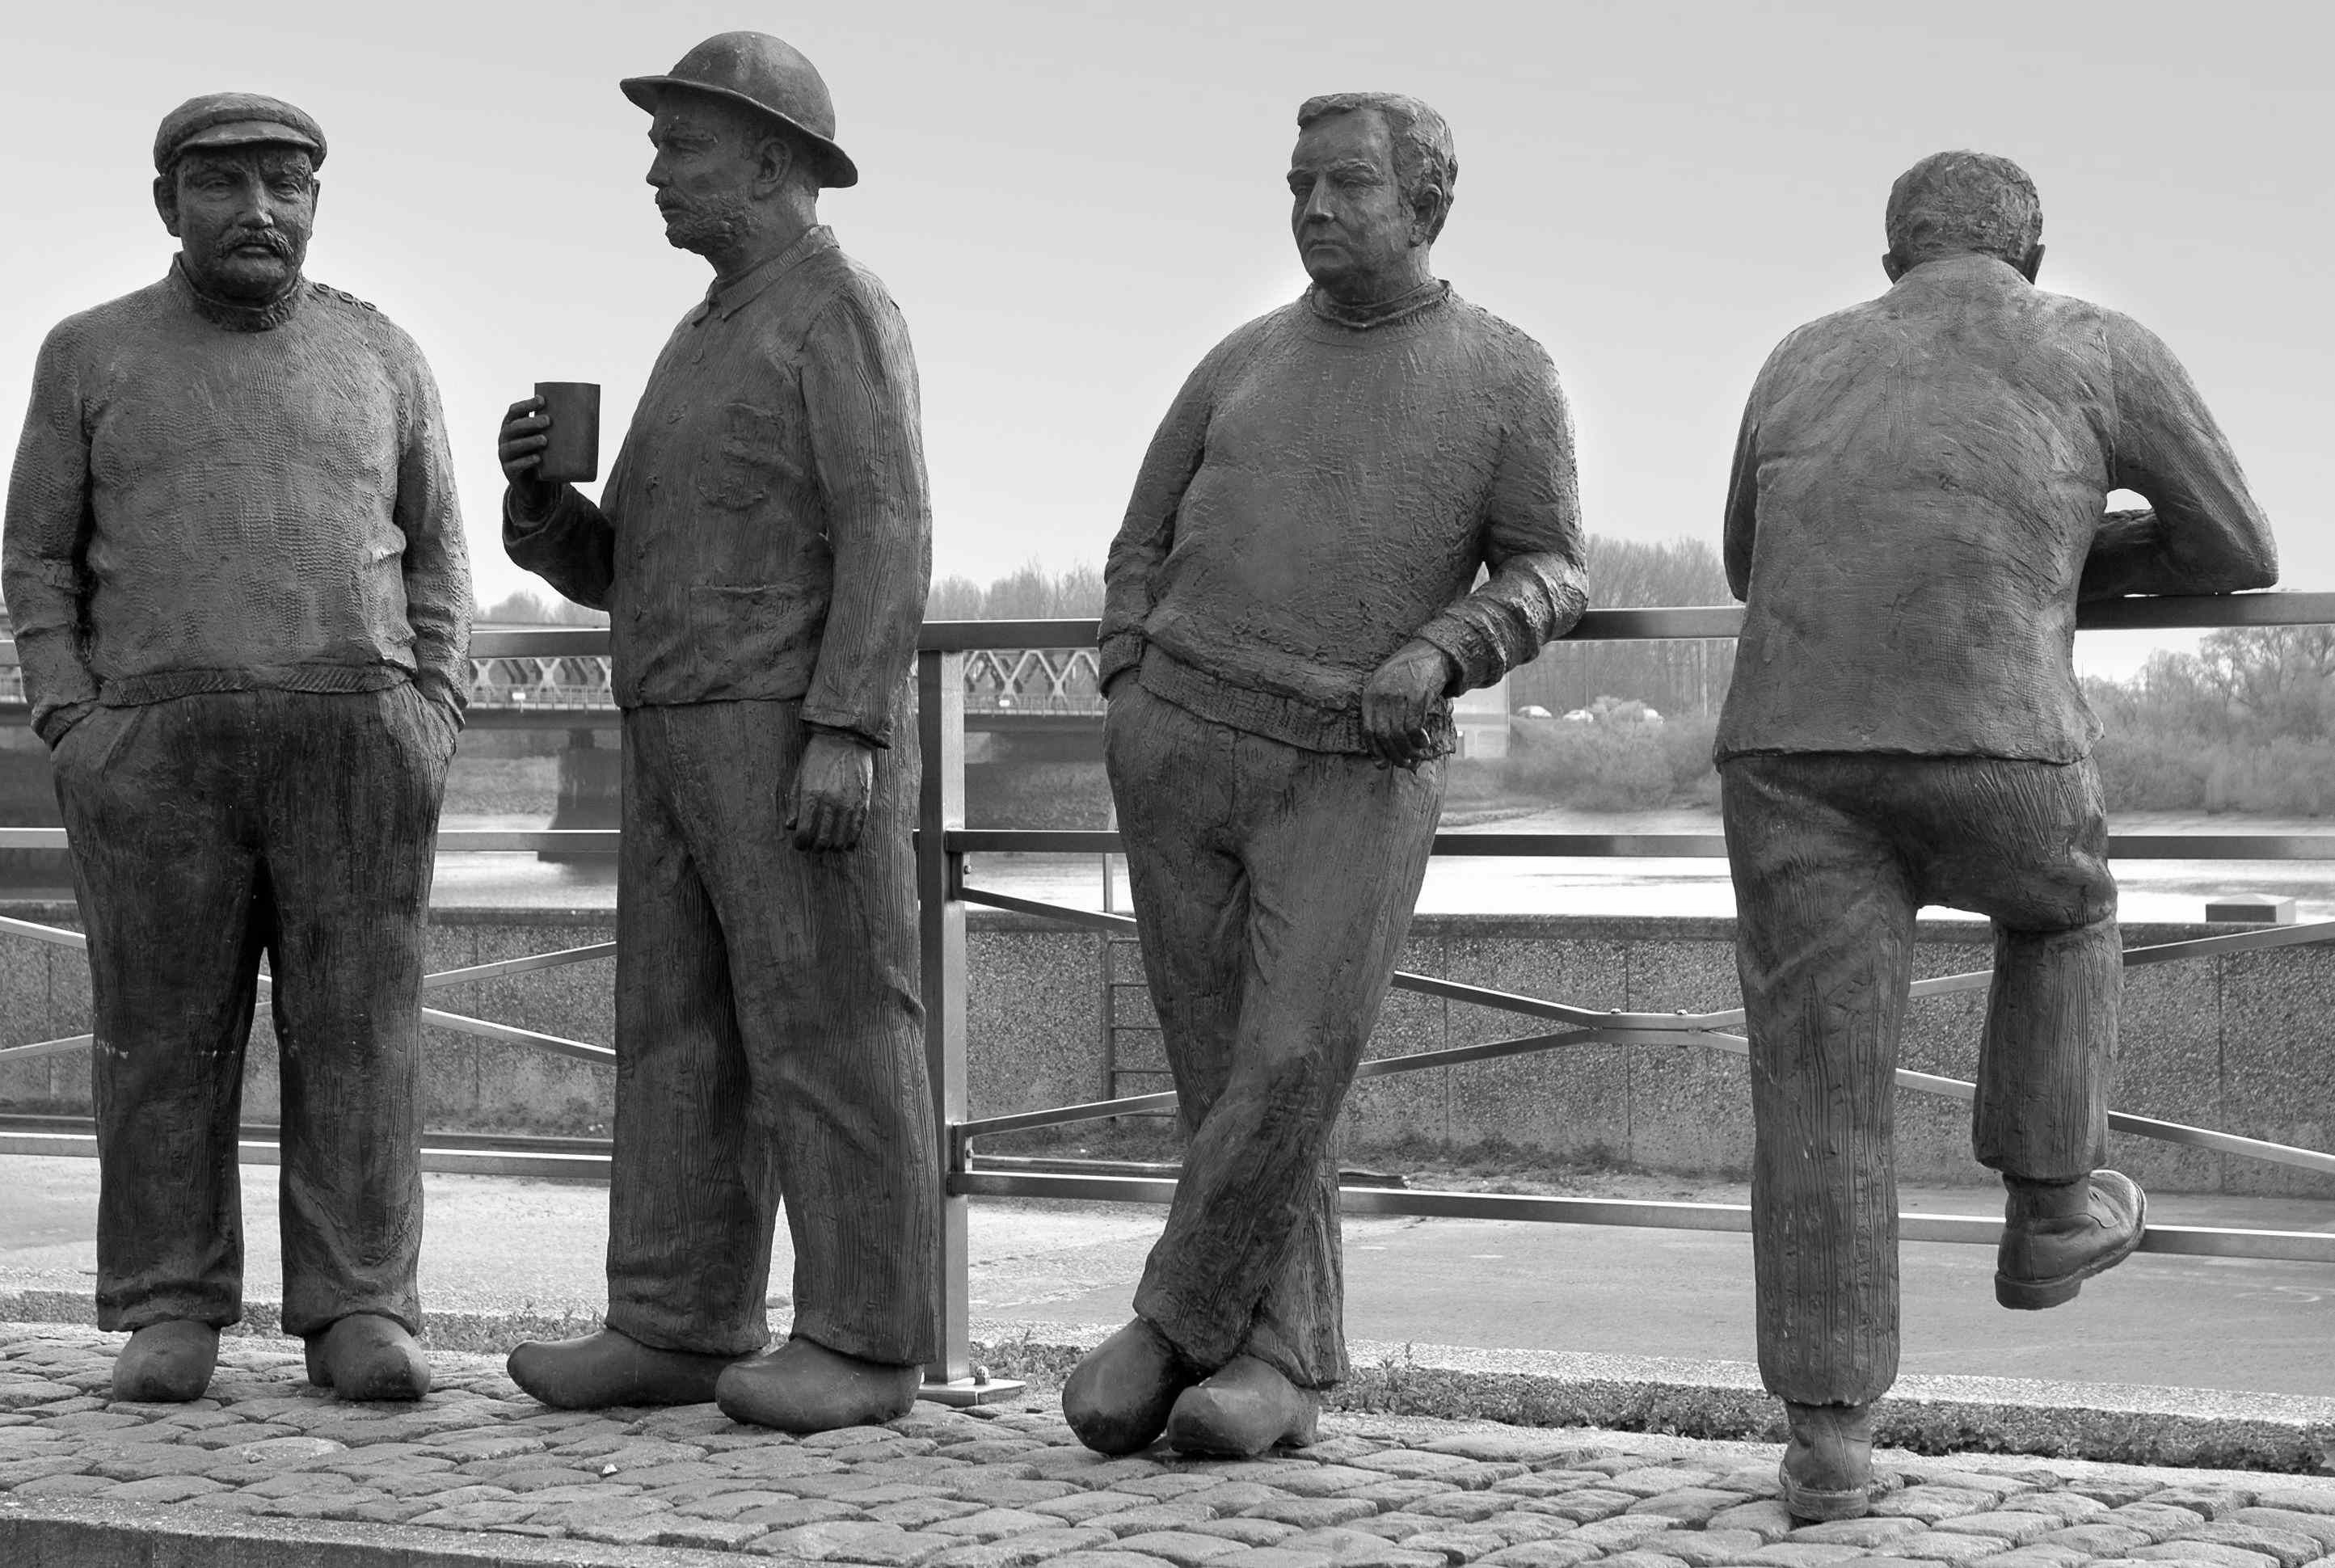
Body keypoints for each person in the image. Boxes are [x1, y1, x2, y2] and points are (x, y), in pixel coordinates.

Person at [1717, 150, 2278, 1519]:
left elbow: (1747, 562)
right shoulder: (2094, 341)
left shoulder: (1801, 354)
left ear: (1889, 258)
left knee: (1816, 1087)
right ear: (2030, 251)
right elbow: (2234, 546)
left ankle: (1827, 1448)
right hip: (1991, 733)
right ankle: (2045, 1209)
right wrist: (2081, 549)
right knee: (2066, 909)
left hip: (1787, 747)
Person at [1066, 91, 1589, 1457]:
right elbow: (1138, 538)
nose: (1312, 208)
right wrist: (1128, 678)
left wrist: (1446, 647)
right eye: (1298, 184)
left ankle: (1171, 1323)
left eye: (1347, 185)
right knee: (1215, 1069)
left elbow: (1550, 567)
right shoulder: (1239, 358)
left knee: (1292, 1057)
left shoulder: (1501, 372)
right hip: (1177, 741)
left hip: (1352, 760)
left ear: (1426, 205)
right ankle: (1274, 1357)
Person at [495, 32, 938, 1433]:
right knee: (675, 1034)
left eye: (678, 146)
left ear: (770, 160)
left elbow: (890, 525)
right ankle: (676, 1322)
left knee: (832, 1031)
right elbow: (622, 564)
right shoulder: (700, 330)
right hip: (674, 720)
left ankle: (865, 1340)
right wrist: (540, 511)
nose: (655, 171)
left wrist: (848, 725)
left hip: (785, 726)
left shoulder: (837, 307)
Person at [3, 92, 471, 1403]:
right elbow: (36, 553)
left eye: (286, 183)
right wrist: (71, 718)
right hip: (154, 746)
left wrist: (430, 707)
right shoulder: (90, 354)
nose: (258, 210)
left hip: (354, 739)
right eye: (222, 184)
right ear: (169, 204)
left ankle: (361, 1301)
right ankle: (168, 1300)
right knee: (160, 1037)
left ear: (317, 203)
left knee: (362, 1031)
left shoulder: (382, 355)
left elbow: (438, 550)